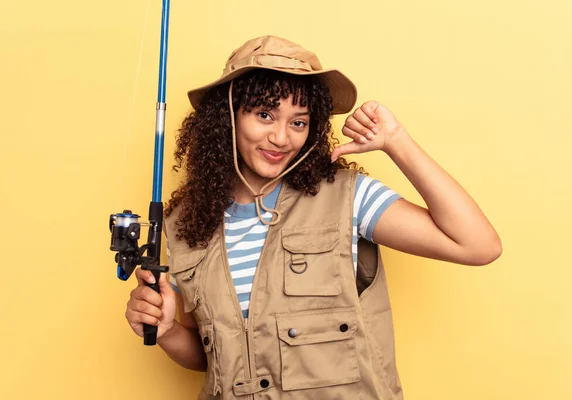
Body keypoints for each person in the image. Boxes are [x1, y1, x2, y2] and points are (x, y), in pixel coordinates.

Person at [124, 35, 502, 399]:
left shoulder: (348, 198)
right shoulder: (184, 226)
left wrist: (396, 141)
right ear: (228, 117)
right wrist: (169, 330)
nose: (281, 137)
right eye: (264, 114)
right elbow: (217, 361)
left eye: (298, 122)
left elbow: (478, 245)